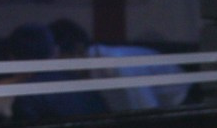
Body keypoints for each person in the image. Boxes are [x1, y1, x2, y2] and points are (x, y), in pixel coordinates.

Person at [50, 19, 192, 112]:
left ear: (78, 50)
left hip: (184, 103)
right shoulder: (96, 69)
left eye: (61, 61)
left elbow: (146, 110)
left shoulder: (116, 64)